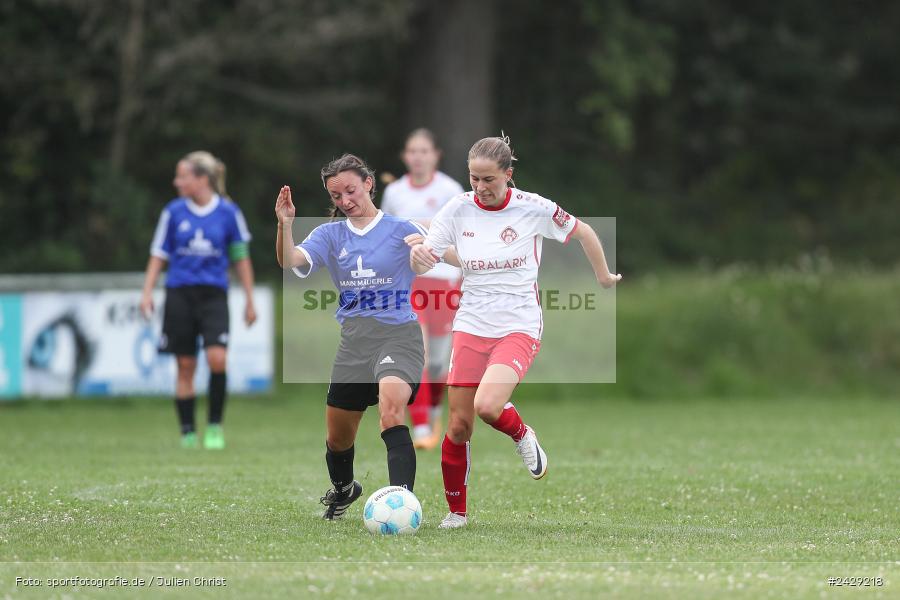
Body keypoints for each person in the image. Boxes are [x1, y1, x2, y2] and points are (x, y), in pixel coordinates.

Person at [409, 135, 622, 529]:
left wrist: (604, 275)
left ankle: (523, 434)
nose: (480, 188)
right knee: (458, 425)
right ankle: (457, 513)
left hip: (518, 324)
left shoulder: (533, 207)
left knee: (488, 406)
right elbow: (425, 261)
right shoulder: (456, 209)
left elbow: (584, 232)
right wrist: (419, 255)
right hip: (471, 323)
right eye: (474, 178)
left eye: (488, 179)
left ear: (508, 174)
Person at [276, 154, 435, 520]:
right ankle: (345, 489)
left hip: (399, 335)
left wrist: (423, 257)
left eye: (350, 190)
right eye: (336, 195)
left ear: (368, 183)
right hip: (354, 342)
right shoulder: (329, 235)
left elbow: (429, 259)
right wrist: (285, 225)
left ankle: (403, 504)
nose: (345, 200)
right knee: (338, 438)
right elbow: (289, 261)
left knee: (391, 408)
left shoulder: (400, 228)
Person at [141, 151, 257, 450]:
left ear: (201, 179)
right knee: (185, 365)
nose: (176, 182)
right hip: (179, 293)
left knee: (217, 358)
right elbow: (158, 254)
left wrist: (249, 298)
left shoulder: (228, 212)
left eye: (182, 176)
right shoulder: (173, 212)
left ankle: (215, 426)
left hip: (213, 295)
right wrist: (147, 292)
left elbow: (240, 257)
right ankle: (188, 432)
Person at [381, 129, 464, 450]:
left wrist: (421, 227)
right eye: (412, 151)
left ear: (435, 155)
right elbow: (388, 235)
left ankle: (433, 409)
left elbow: (462, 232)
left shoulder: (451, 190)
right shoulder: (395, 192)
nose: (418, 156)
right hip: (409, 280)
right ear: (405, 156)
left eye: (424, 151)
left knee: (439, 363)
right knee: (419, 354)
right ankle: (420, 429)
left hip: (445, 279)